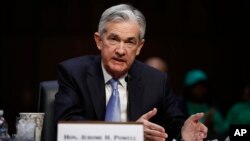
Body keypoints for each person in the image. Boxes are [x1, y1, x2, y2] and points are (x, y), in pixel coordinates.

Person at [55, 4, 207, 141]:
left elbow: (176, 124)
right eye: (113, 39)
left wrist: (184, 131)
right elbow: (67, 125)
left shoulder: (155, 80)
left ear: (139, 47)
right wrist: (132, 132)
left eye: (129, 42)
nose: (121, 51)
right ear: (99, 41)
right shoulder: (73, 73)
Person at [181, 69, 227, 139]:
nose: (201, 90)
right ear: (189, 88)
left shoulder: (211, 105)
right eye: (197, 87)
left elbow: (222, 129)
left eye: (203, 87)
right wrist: (205, 122)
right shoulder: (180, 106)